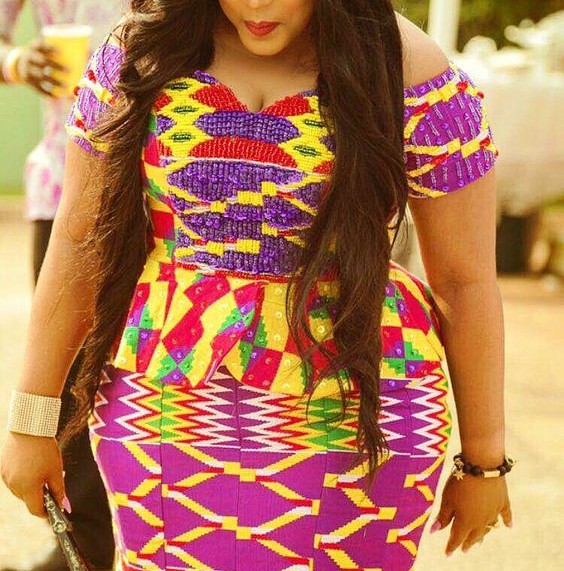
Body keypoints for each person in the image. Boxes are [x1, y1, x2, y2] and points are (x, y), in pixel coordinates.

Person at [1, 1, 514, 569]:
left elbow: (464, 281)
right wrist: (31, 422)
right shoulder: (141, 52)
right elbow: (80, 243)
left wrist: (484, 461)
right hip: (163, 410)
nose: (257, 4)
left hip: (364, 418)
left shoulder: (409, 68)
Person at [0, 1, 126, 569]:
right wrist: (18, 62)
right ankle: (85, 545)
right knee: (71, 378)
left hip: (171, 190)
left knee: (156, 370)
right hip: (64, 190)